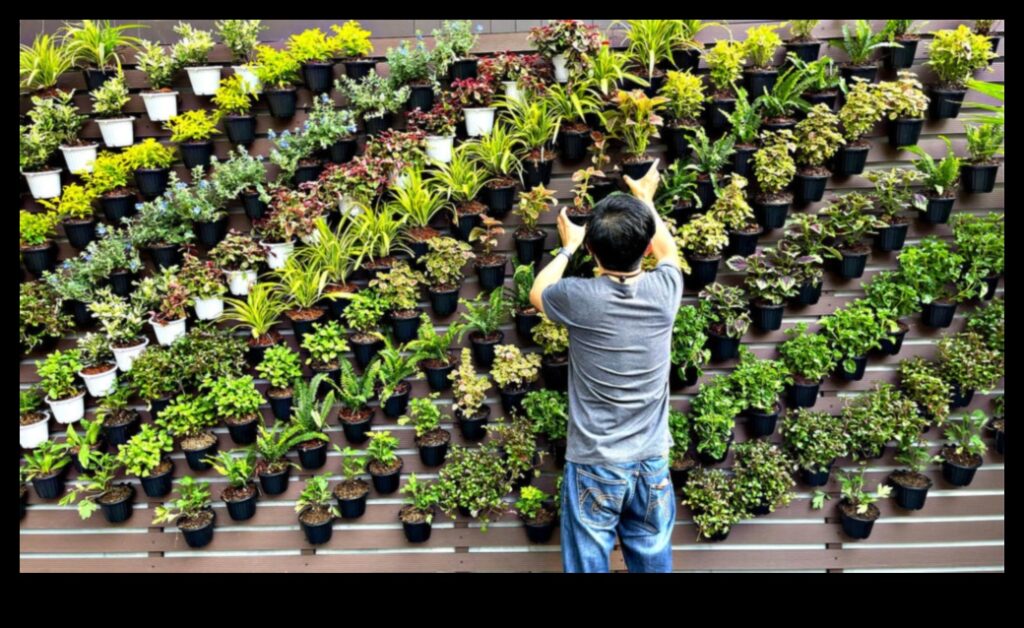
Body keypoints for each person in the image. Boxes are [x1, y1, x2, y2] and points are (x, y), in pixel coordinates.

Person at [528, 159, 684, 573]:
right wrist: (645, 200)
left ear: (594, 250)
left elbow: (538, 291)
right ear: (645, 247)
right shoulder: (666, 289)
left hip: (596, 462)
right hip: (651, 462)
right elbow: (667, 249)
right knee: (652, 560)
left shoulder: (580, 298)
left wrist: (568, 247)